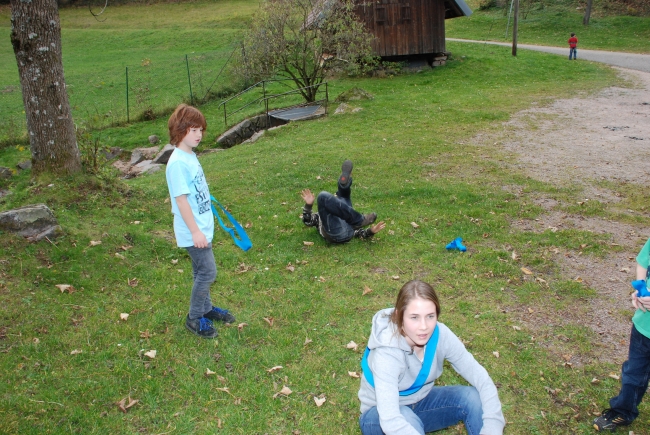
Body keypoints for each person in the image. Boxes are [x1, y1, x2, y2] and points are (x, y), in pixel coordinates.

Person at [358, 280, 505, 435]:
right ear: (399, 316)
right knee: (406, 419)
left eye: (430, 316)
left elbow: (481, 378)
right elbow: (390, 420)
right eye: (414, 317)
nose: (424, 326)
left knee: (472, 398)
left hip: (420, 404)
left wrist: (492, 427)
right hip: (379, 417)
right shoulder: (387, 353)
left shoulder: (441, 335)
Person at [165, 104, 235, 339]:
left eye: (200, 130)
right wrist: (195, 232)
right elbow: (181, 201)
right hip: (192, 231)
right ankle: (195, 317)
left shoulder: (190, 155)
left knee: (200, 271)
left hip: (202, 228)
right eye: (192, 129)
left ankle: (206, 308)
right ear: (179, 130)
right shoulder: (177, 163)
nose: (198, 135)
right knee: (207, 272)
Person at [593, 239, 650, 432]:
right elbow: (644, 261)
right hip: (644, 327)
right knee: (633, 373)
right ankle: (623, 411)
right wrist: (640, 287)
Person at [301, 160, 385, 243]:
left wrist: (370, 232)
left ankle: (344, 185)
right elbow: (307, 222)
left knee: (339, 197)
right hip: (336, 233)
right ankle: (360, 220)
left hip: (348, 228)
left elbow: (358, 232)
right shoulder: (319, 217)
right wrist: (308, 205)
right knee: (323, 197)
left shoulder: (345, 213)